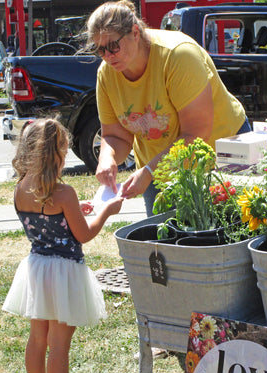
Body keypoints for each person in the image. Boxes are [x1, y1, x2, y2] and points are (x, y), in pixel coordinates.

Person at [2, 118, 124, 373]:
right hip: (65, 273)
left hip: (38, 269)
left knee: (37, 339)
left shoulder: (20, 189)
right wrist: (105, 212)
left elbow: (49, 218)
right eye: (64, 151)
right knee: (59, 343)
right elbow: (83, 236)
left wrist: (74, 208)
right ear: (55, 153)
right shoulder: (64, 192)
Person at [86, 0, 251, 217]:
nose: (107, 56)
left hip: (220, 154)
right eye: (99, 49)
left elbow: (196, 134)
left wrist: (149, 171)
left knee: (224, 237)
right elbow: (115, 136)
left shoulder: (178, 55)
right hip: (159, 166)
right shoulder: (106, 74)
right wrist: (107, 159)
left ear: (135, 32)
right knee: (165, 243)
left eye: (113, 46)